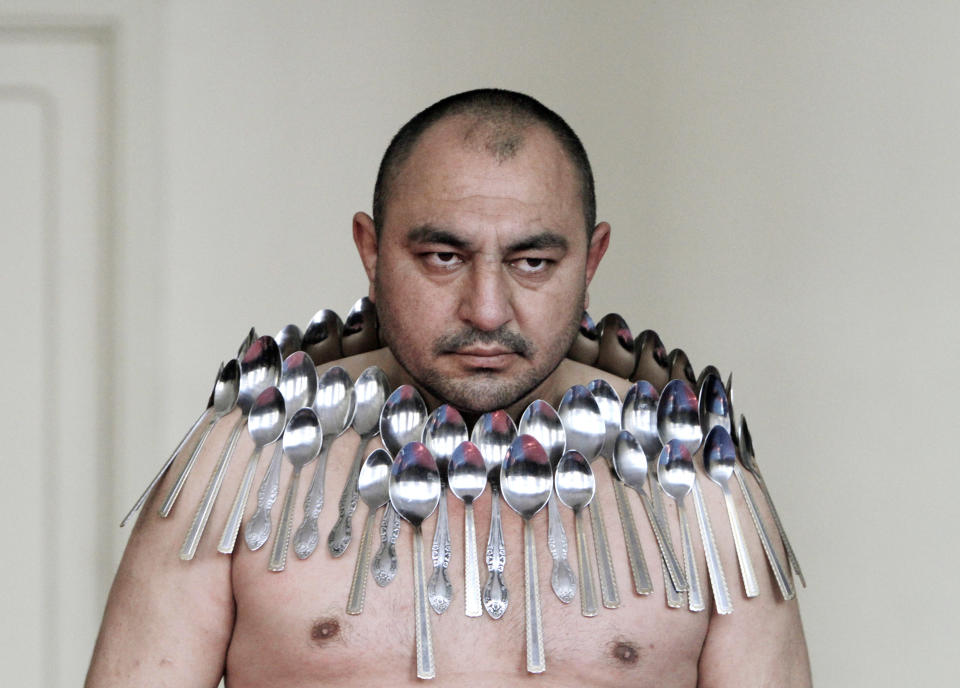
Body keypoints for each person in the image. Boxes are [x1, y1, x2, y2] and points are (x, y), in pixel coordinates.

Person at [86, 89, 811, 687]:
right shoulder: (236, 466)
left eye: (532, 262)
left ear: (592, 260)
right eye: (441, 256)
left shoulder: (701, 482)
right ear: (371, 251)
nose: (487, 310)